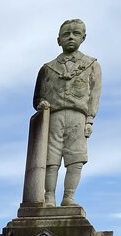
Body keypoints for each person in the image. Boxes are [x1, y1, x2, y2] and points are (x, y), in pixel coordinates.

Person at [34, 18, 102, 208]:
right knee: (50, 159)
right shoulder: (47, 68)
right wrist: (42, 105)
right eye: (66, 34)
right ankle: (48, 198)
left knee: (76, 158)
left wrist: (89, 119)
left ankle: (68, 197)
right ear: (58, 40)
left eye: (76, 33)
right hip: (53, 117)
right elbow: (37, 97)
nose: (71, 37)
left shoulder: (91, 65)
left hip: (77, 117)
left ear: (83, 38)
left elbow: (94, 96)